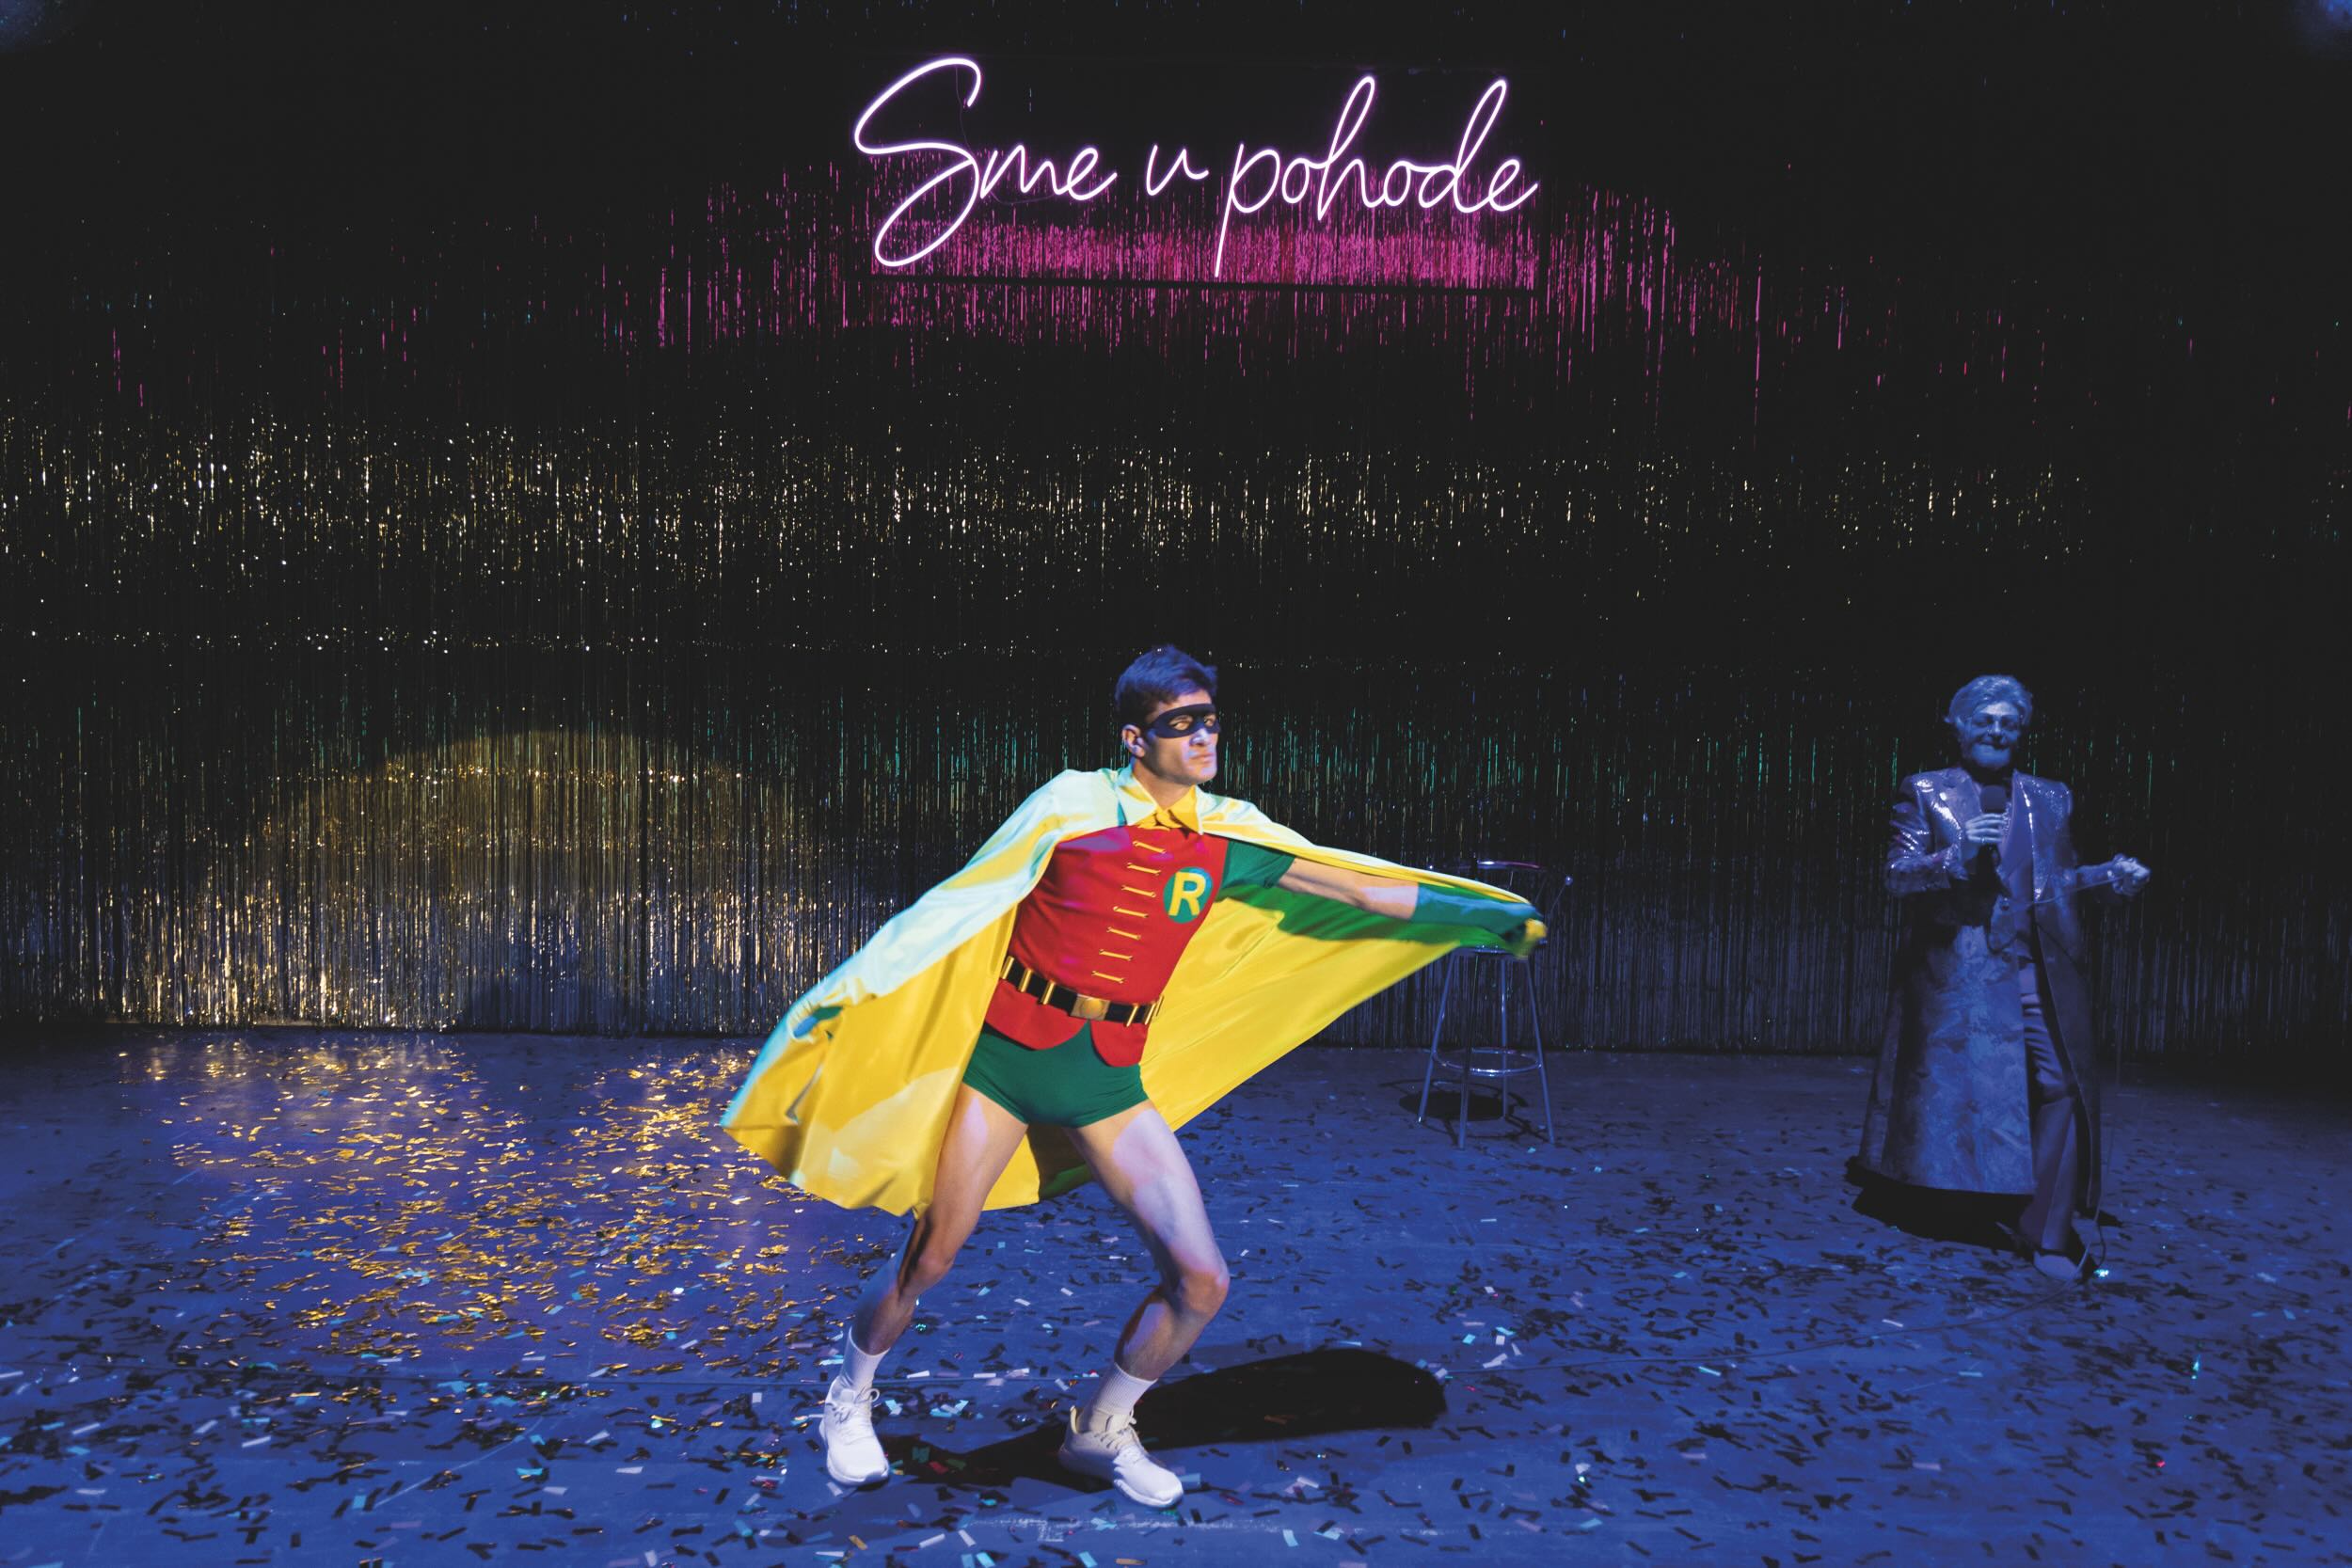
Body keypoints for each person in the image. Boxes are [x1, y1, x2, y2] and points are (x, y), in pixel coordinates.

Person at [722, 646, 1545, 1505]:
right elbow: (962, 902)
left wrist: (1483, 915)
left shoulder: (1229, 836)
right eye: (1179, 723)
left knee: (1202, 1280)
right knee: (931, 1254)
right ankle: (848, 1398)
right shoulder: (1073, 804)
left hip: (1107, 1078)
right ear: (1135, 738)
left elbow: (1366, 892)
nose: (1203, 736)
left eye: (1210, 719)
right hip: (1006, 1061)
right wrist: (854, 990)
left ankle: (1100, 1428)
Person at [1858, 674, 2152, 1278]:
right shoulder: (1926, 790)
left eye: (2008, 723)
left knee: (2062, 1085)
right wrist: (1958, 854)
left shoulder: (2050, 797)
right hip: (1962, 971)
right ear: (1959, 726)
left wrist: (2110, 877)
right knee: (1969, 1095)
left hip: (2035, 965)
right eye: (1984, 720)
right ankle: (1964, 1201)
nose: (1996, 731)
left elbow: (2057, 881)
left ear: (2021, 732)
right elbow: (1896, 876)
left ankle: (2044, 1230)